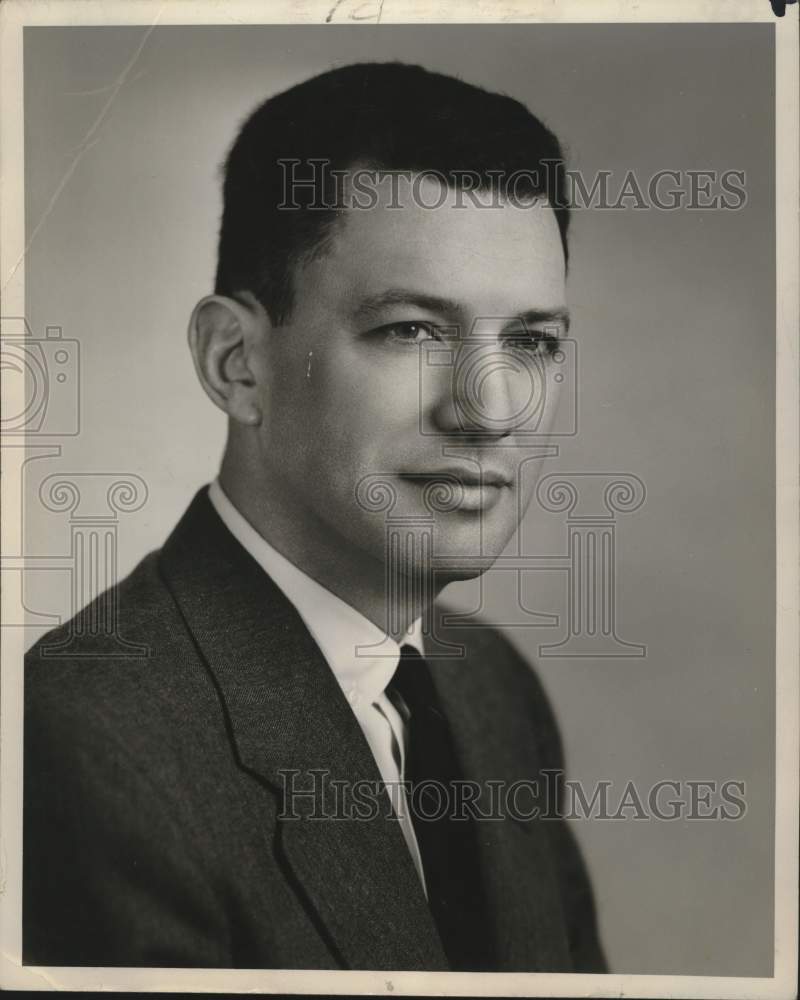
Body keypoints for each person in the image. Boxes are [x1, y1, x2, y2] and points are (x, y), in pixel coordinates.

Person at [23, 61, 606, 972]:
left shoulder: (493, 688)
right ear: (237, 363)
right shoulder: (80, 742)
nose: (489, 411)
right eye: (411, 330)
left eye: (530, 342)